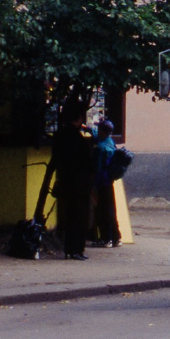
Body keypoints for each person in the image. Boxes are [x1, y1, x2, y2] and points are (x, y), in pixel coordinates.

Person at [51, 97, 93, 260]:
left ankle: (69, 249)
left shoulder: (60, 135)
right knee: (80, 217)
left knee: (69, 216)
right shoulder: (78, 139)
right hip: (80, 183)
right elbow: (87, 162)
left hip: (66, 180)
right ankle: (77, 249)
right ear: (79, 118)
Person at [91, 119, 121, 248]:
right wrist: (88, 129)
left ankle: (105, 239)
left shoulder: (100, 148)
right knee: (111, 210)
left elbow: (97, 168)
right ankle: (116, 237)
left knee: (102, 211)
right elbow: (96, 136)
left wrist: (93, 185)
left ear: (102, 131)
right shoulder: (110, 143)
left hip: (101, 183)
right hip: (109, 181)